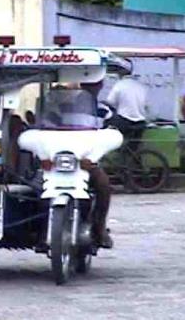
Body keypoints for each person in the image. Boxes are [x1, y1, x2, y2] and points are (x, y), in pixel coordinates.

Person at [43, 81, 113, 248]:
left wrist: (94, 157)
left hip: (87, 162)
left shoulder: (104, 110)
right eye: (88, 84)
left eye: (95, 84)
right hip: (57, 160)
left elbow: (110, 136)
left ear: (100, 85)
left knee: (104, 185)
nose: (92, 87)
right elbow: (46, 131)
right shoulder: (62, 107)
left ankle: (99, 228)